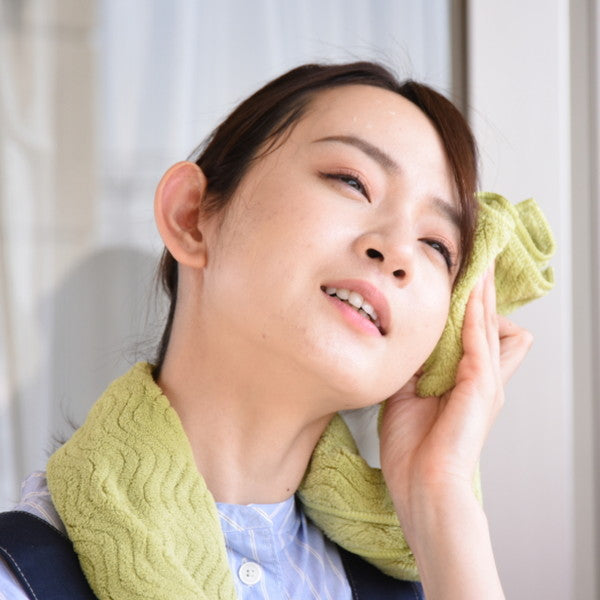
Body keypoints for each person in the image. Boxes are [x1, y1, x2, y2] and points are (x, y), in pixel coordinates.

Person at [0, 62, 532, 599]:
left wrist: (441, 497)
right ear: (190, 216)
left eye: (437, 246)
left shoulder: (434, 577)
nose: (398, 251)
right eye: (352, 182)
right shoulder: (23, 576)